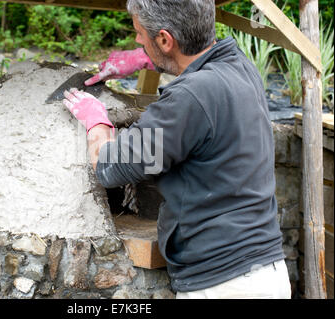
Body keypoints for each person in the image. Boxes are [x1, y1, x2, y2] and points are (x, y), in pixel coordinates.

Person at [62, 0, 291, 299]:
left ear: (166, 40)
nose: (137, 40)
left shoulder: (188, 99)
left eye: (141, 35)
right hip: (265, 272)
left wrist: (97, 122)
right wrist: (149, 59)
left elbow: (110, 167)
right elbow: (198, 78)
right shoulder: (239, 66)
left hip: (223, 284)